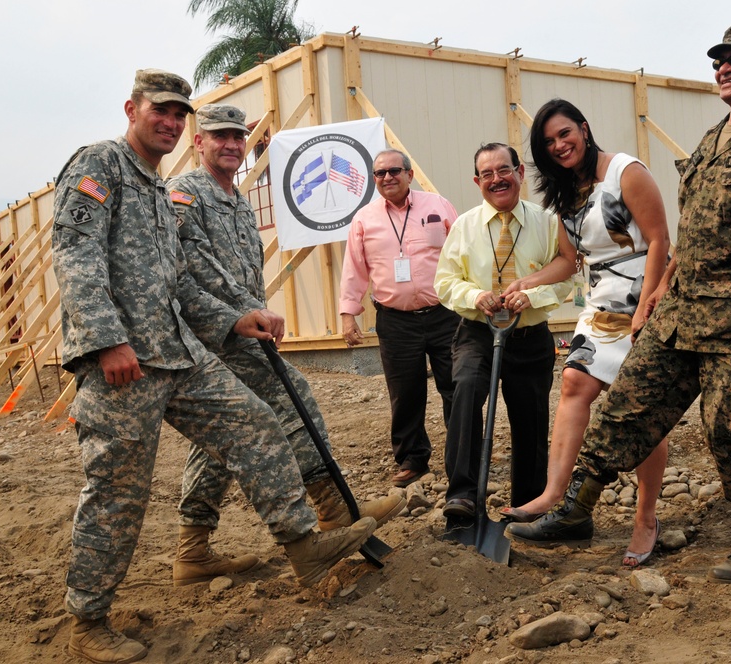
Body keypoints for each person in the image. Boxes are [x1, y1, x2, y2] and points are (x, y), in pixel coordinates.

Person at [53, 70, 376, 664]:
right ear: (133, 108)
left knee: (253, 425)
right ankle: (89, 619)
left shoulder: (154, 188)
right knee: (118, 491)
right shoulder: (99, 164)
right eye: (162, 113)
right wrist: (106, 342)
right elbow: (75, 254)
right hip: (123, 364)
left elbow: (178, 283)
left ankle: (306, 549)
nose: (171, 124)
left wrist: (234, 321)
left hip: (178, 355)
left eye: (179, 115)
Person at [507, 24, 731, 584]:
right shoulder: (709, 142)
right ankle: (573, 509)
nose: (725, 67)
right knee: (626, 405)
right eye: (720, 59)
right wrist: (658, 287)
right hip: (678, 313)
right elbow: (690, 234)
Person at [168, 104, 405, 587]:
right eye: (220, 137)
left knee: (221, 440)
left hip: (244, 328)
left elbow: (240, 271)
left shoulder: (236, 198)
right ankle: (333, 507)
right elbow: (193, 268)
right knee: (290, 398)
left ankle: (192, 551)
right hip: (215, 334)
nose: (232, 144)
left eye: (239, 137)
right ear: (199, 142)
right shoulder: (185, 196)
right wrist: (240, 315)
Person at [499, 99, 672, 564]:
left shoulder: (624, 171)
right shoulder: (566, 193)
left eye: (564, 134)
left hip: (643, 294)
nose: (559, 145)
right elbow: (567, 259)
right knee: (574, 382)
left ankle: (646, 517)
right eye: (549, 142)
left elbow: (660, 239)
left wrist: (648, 306)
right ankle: (553, 494)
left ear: (584, 128)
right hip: (599, 302)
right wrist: (527, 281)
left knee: (641, 412)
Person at [434, 142, 576, 520]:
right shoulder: (464, 226)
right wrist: (474, 294)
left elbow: (565, 279)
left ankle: (528, 501)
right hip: (477, 333)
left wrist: (533, 296)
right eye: (487, 174)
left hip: (529, 338)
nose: (497, 179)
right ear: (477, 181)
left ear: (520, 173)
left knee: (530, 416)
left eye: (504, 170)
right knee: (465, 390)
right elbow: (445, 281)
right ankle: (462, 494)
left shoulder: (548, 222)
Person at [338, 149, 460, 488]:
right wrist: (349, 316)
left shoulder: (438, 205)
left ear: (409, 173)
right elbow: (354, 270)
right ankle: (413, 459)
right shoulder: (365, 219)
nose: (387, 177)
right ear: (374, 179)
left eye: (394, 170)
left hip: (445, 315)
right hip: (395, 321)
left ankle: (463, 456)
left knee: (457, 386)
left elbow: (464, 252)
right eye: (380, 173)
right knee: (404, 393)